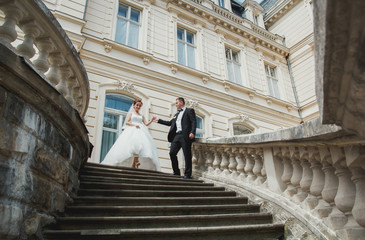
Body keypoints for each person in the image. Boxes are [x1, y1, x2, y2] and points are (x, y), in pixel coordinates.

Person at [102, 99, 160, 171]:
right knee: (133, 144)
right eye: (137, 105)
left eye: (139, 106)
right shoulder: (131, 114)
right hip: (133, 129)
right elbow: (127, 122)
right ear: (134, 105)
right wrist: (134, 125)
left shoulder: (141, 116)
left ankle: (134, 163)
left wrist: (151, 120)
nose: (138, 107)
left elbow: (146, 124)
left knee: (140, 145)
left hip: (141, 130)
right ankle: (136, 161)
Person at [155, 97, 196, 179]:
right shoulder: (176, 114)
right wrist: (158, 120)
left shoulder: (189, 111)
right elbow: (170, 123)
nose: (176, 104)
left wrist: (192, 132)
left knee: (187, 155)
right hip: (177, 136)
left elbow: (193, 121)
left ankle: (187, 174)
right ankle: (176, 172)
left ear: (181, 102)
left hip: (185, 135)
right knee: (172, 153)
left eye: (177, 103)